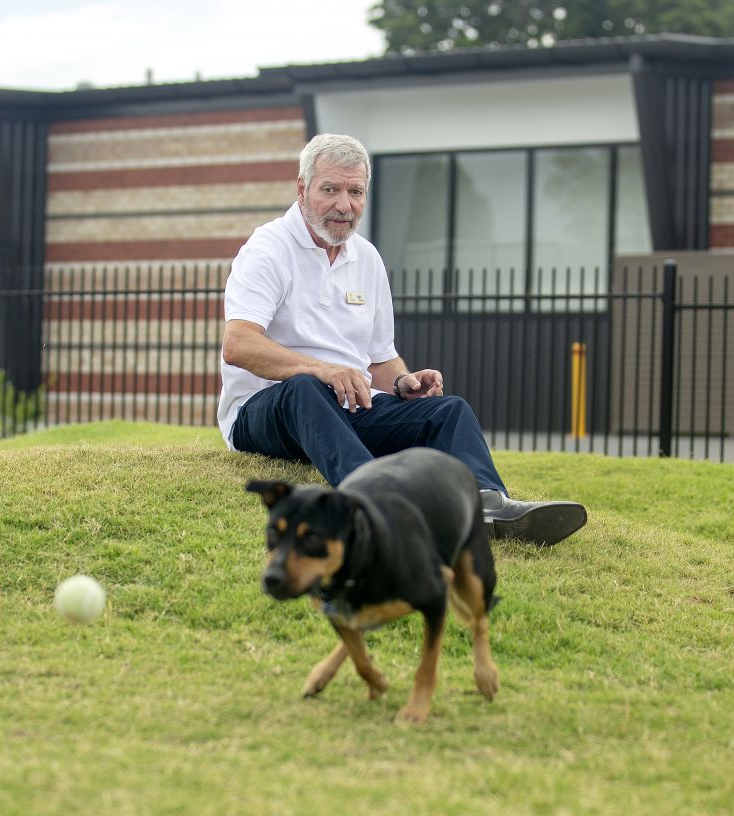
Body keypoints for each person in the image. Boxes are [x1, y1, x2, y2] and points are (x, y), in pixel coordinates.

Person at [217, 133, 586, 546]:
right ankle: (377, 502)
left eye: (355, 192)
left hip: (348, 408)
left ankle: (487, 504)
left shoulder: (368, 258)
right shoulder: (268, 249)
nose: (345, 204)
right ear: (302, 189)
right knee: (306, 387)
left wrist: (401, 382)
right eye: (331, 189)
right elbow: (239, 344)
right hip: (265, 411)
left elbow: (379, 358)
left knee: (448, 411)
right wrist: (322, 369)